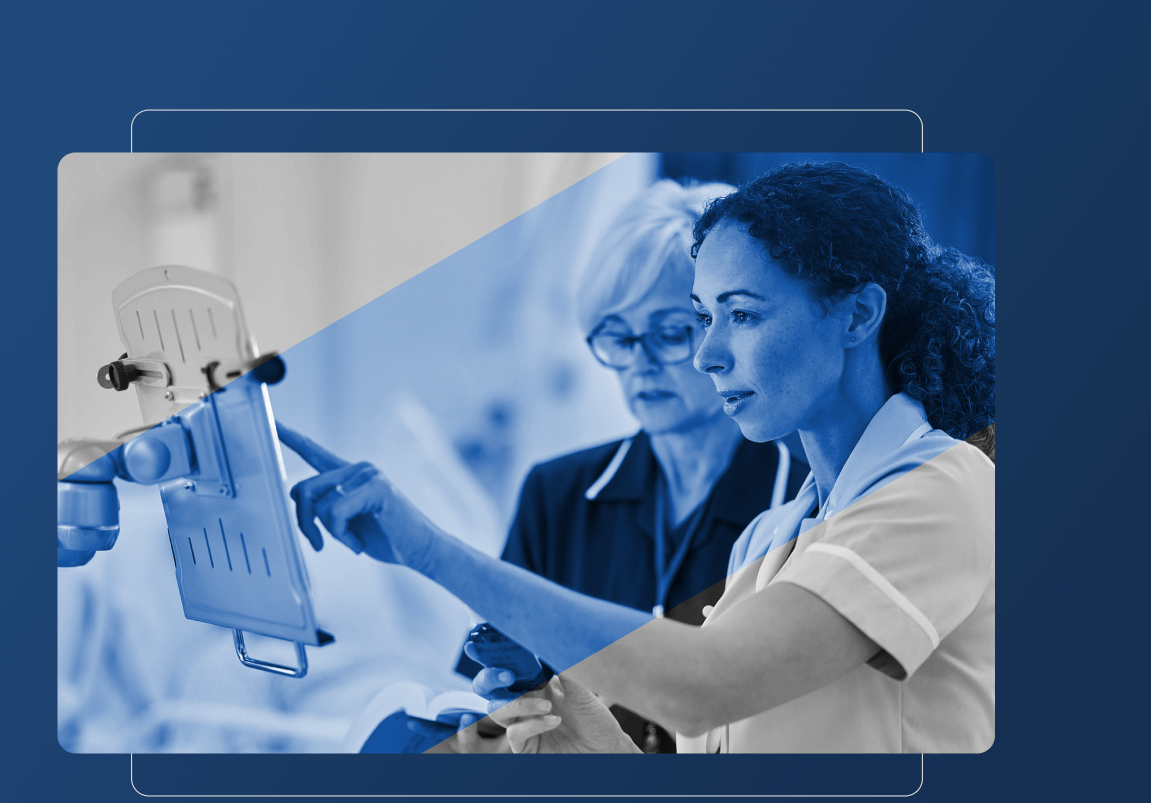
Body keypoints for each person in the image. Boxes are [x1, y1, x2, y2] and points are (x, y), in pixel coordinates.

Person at [278, 161, 995, 754]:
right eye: (705, 318)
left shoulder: (943, 488)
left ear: (858, 315)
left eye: (742, 314)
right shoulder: (770, 540)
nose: (708, 355)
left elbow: (707, 683)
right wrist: (580, 727)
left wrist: (427, 548)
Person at [452, 180, 806, 753]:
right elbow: (488, 715)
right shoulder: (556, 495)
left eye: (668, 334)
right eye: (618, 336)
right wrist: (498, 721)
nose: (640, 364)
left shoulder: (805, 505)